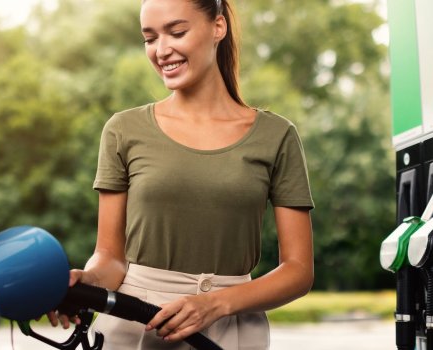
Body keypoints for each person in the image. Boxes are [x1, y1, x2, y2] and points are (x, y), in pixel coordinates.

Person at [48, 0, 314, 348]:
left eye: (177, 32)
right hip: (135, 323)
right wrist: (89, 282)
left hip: (231, 329)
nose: (161, 50)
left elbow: (298, 270)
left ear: (218, 27)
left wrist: (216, 303)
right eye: (149, 38)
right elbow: (111, 257)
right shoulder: (123, 130)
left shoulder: (276, 136)